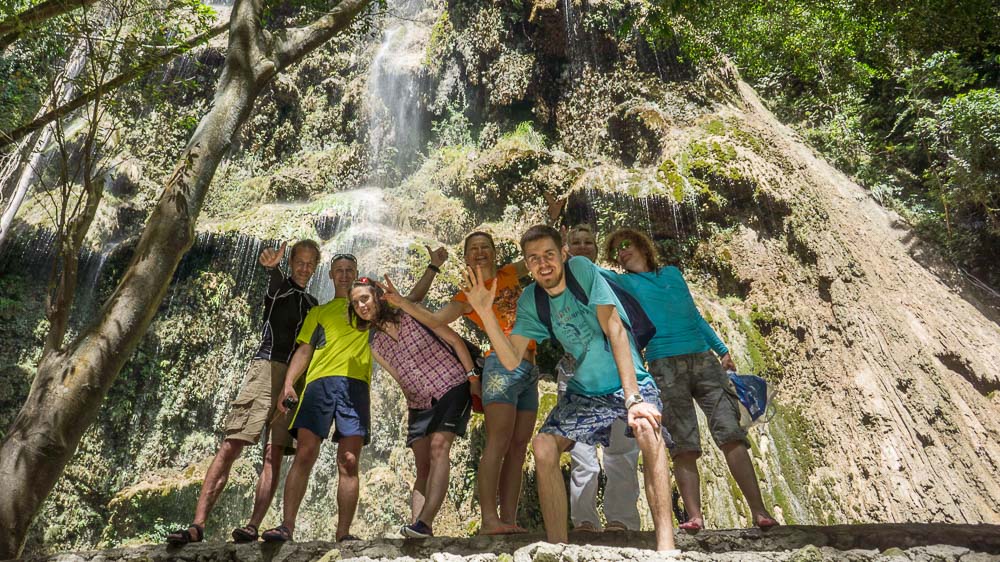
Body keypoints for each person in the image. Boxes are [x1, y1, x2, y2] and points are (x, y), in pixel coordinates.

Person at [464, 225, 677, 552]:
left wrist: (633, 397)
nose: (542, 263)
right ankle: (557, 548)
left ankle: (666, 547)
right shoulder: (531, 300)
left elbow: (616, 328)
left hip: (626, 380)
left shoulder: (581, 270)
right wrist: (484, 313)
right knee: (544, 445)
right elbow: (509, 360)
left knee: (648, 428)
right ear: (527, 264)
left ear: (563, 253)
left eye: (549, 254)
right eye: (533, 259)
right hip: (586, 392)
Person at [261, 248, 446, 543]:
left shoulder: (368, 307)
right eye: (339, 270)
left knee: (348, 460)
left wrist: (433, 267)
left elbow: (411, 301)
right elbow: (305, 349)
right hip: (319, 385)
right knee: (306, 452)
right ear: (331, 275)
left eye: (350, 269)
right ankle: (287, 526)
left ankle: (343, 532)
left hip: (356, 386)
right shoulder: (318, 311)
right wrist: (288, 384)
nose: (345, 274)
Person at [603, 228, 778, 531]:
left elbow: (694, 315)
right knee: (683, 444)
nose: (622, 252)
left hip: (704, 360)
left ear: (644, 247)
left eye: (627, 245)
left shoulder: (672, 274)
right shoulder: (625, 283)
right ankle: (694, 517)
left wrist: (722, 349)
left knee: (731, 434)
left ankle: (760, 511)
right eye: (617, 250)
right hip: (663, 364)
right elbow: (590, 271)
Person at [167, 239, 320, 545]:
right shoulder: (280, 288)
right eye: (299, 262)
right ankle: (197, 525)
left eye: (309, 264)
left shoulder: (314, 306)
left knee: (273, 453)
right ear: (291, 263)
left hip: (294, 379)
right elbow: (274, 281)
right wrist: (272, 266)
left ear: (316, 267)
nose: (304, 268)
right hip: (265, 369)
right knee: (231, 444)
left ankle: (252, 526)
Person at [385, 231, 537, 535]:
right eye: (473, 249)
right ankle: (489, 520)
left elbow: (539, 254)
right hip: (500, 367)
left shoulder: (511, 272)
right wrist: (402, 303)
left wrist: (554, 219)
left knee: (519, 447)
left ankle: (508, 520)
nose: (479, 252)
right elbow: (437, 320)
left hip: (531, 366)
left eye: (485, 247)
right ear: (466, 258)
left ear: (495, 253)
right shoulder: (466, 295)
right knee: (498, 441)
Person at [349, 278, 477, 539]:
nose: (361, 305)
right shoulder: (375, 345)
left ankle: (425, 523)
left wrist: (473, 379)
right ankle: (417, 528)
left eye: (365, 298)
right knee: (422, 466)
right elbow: (400, 379)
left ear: (377, 296)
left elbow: (454, 340)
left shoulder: (411, 314)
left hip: (451, 384)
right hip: (419, 403)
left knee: (440, 446)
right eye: (355, 302)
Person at [560, 225, 641, 533]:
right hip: (574, 371)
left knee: (621, 448)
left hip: (615, 370)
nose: (582, 247)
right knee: (581, 450)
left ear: (596, 248)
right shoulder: (557, 282)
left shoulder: (611, 280)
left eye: (588, 242)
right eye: (575, 242)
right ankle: (584, 521)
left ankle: (622, 520)